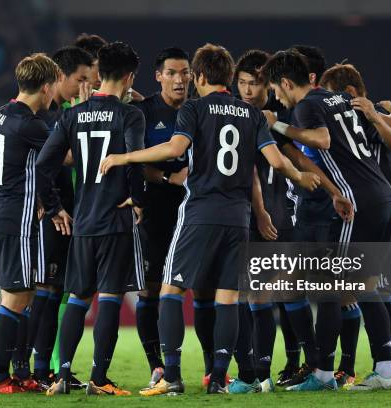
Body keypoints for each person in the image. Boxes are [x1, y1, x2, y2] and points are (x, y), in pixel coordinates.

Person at [99, 43, 320, 395]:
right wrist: (301, 176)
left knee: (170, 290)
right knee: (228, 297)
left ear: (199, 77)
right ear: (229, 77)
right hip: (237, 217)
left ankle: (170, 375)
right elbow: (276, 162)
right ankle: (218, 378)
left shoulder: (194, 109)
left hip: (200, 212)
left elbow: (174, 150)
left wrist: (125, 158)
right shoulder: (251, 115)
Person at [262, 49, 391, 391]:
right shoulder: (339, 98)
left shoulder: (306, 105)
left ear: (284, 82)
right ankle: (385, 370)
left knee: (330, 287)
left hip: (360, 202)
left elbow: (322, 140)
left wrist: (278, 125)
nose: (276, 96)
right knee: (365, 283)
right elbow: (337, 149)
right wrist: (333, 189)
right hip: (381, 196)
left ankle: (324, 374)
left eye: (275, 89)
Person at [36, 41, 145, 397]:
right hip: (115, 220)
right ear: (129, 77)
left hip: (82, 221)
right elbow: (134, 158)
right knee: (110, 298)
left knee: (78, 298)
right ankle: (98, 379)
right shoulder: (130, 115)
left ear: (100, 74)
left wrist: (55, 208)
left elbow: (42, 167)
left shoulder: (72, 114)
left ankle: (63, 375)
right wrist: (137, 197)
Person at [319, 62, 391, 385]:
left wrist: (374, 114)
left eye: (331, 95)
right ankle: (375, 366)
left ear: (349, 93)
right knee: (363, 287)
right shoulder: (343, 122)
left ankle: (384, 363)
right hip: (369, 207)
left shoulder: (375, 110)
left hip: (377, 209)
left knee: (376, 288)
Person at [0, 53, 59, 394]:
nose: (54, 96)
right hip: (15, 221)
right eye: (54, 88)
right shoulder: (30, 124)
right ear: (44, 87)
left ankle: (19, 373)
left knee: (21, 297)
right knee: (14, 301)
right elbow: (66, 156)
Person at [29, 46, 94, 390]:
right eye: (81, 79)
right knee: (45, 290)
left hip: (68, 214)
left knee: (55, 291)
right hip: (52, 216)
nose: (87, 85)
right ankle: (36, 369)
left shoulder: (63, 113)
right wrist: (50, 205)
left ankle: (44, 369)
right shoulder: (50, 117)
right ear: (60, 78)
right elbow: (60, 160)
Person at [132, 47, 191, 387]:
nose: (179, 79)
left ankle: (217, 368)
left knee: (209, 290)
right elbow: (135, 159)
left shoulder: (200, 111)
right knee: (150, 289)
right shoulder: (144, 111)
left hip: (196, 210)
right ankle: (157, 365)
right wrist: (167, 178)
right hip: (155, 209)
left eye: (185, 72)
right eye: (172, 72)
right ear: (159, 76)